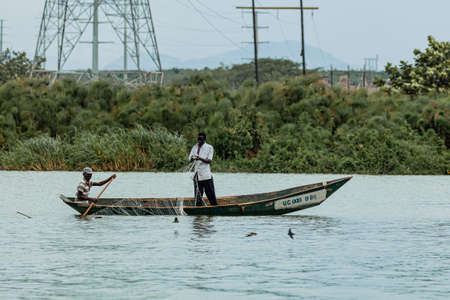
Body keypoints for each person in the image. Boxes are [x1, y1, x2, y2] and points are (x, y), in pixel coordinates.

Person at [189, 133, 218, 206]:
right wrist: (193, 158)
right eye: (198, 139)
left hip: (206, 176)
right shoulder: (194, 147)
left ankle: (214, 209)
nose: (199, 141)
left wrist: (199, 158)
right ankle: (199, 214)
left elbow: (209, 161)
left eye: (201, 139)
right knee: (198, 197)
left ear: (204, 140)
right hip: (197, 176)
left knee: (211, 196)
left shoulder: (209, 147)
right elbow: (190, 159)